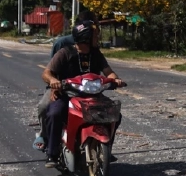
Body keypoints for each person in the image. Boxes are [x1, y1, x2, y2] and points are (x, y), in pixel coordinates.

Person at [41, 21, 124, 167]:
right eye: (95, 36)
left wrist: (115, 79)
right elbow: (46, 73)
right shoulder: (65, 53)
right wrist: (54, 81)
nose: (97, 38)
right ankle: (52, 153)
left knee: (114, 115)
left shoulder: (96, 54)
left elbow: (108, 72)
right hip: (67, 94)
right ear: (86, 38)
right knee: (54, 113)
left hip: (93, 95)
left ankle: (106, 149)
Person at [36, 12, 98, 150]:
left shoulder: (94, 47)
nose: (97, 31)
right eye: (95, 26)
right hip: (62, 86)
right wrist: (54, 86)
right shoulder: (62, 44)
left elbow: (103, 69)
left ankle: (98, 144)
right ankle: (45, 137)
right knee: (44, 107)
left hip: (86, 89)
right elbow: (52, 70)